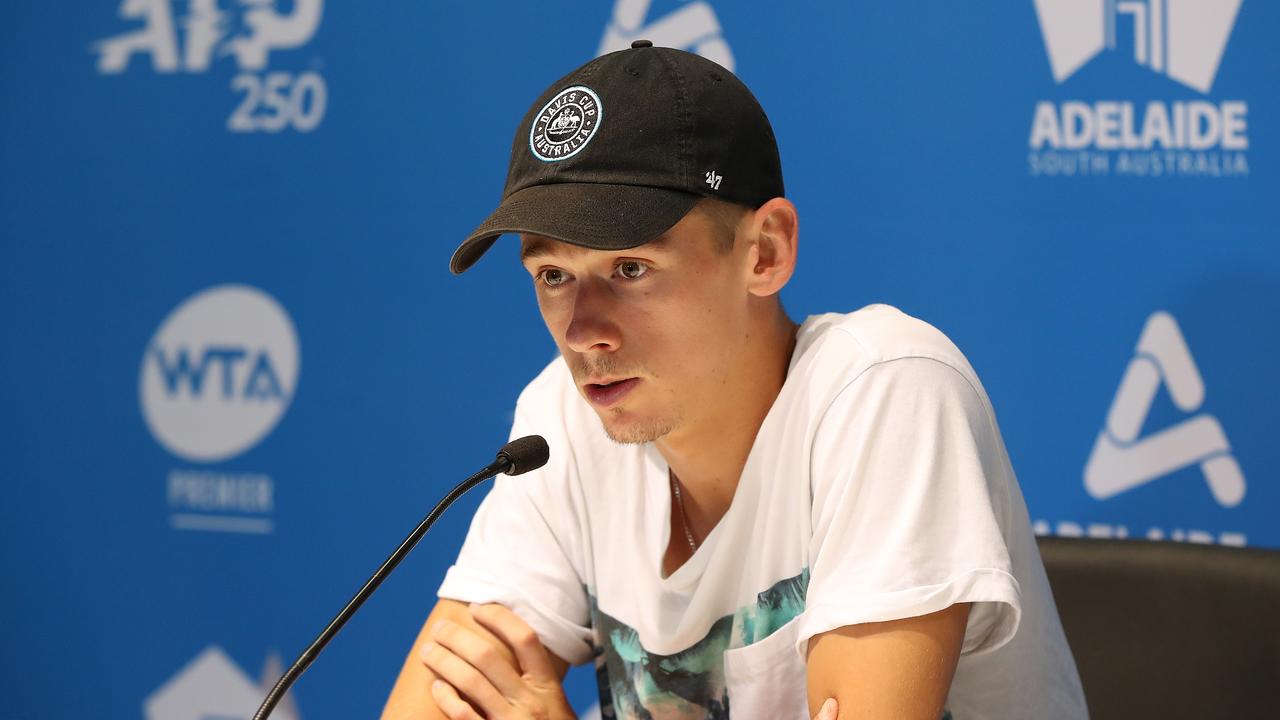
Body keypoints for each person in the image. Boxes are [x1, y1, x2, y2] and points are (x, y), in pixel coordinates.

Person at [383, 41, 1088, 720]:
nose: (582, 332)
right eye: (554, 276)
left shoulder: (885, 391)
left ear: (766, 252)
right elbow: (441, 698)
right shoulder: (562, 421)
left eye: (630, 269)